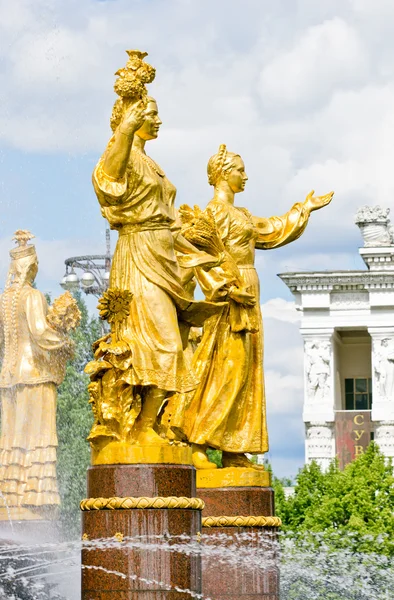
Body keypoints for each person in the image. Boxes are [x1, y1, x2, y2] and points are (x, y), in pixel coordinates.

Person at [175, 144, 333, 469]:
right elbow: (198, 257)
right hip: (228, 298)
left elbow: (273, 230)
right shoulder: (212, 214)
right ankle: (198, 441)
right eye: (239, 170)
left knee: (246, 372)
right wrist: (227, 287)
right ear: (221, 174)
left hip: (249, 293)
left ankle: (234, 449)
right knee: (223, 367)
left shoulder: (243, 215)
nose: (245, 176)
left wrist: (304, 208)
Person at [92, 92, 218, 447]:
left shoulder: (152, 164)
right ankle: (140, 427)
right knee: (159, 343)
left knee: (175, 338)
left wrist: (207, 256)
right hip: (138, 254)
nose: (159, 120)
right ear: (131, 119)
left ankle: (153, 425)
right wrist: (124, 132)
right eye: (152, 114)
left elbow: (173, 224)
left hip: (164, 256)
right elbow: (106, 182)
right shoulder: (122, 155)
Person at [0, 232, 73, 515]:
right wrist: (65, 342)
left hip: (8, 379)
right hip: (35, 377)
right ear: (31, 267)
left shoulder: (4, 301)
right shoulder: (32, 296)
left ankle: (10, 497)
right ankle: (34, 499)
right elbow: (42, 334)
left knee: (13, 437)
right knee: (36, 436)